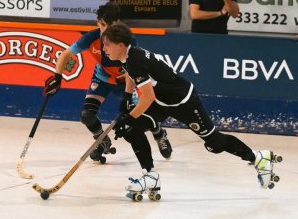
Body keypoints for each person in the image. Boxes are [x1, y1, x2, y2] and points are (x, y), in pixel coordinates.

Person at [101, 23, 280, 194]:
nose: (104, 49)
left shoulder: (135, 60)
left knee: (214, 143)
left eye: (107, 45)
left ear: (121, 45)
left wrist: (130, 117)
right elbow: (131, 74)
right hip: (163, 101)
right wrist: (126, 96)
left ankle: (258, 157)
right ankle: (150, 176)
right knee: (132, 130)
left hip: (184, 102)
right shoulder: (127, 56)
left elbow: (148, 97)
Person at [43, 1, 173, 162]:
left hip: (124, 80)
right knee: (86, 115)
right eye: (102, 25)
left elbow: (130, 71)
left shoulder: (128, 40)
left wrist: (127, 95)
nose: (106, 30)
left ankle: (159, 133)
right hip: (102, 79)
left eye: (109, 26)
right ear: (98, 23)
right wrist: (57, 77)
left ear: (117, 23)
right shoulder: (91, 38)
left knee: (138, 118)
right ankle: (102, 141)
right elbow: (65, 54)